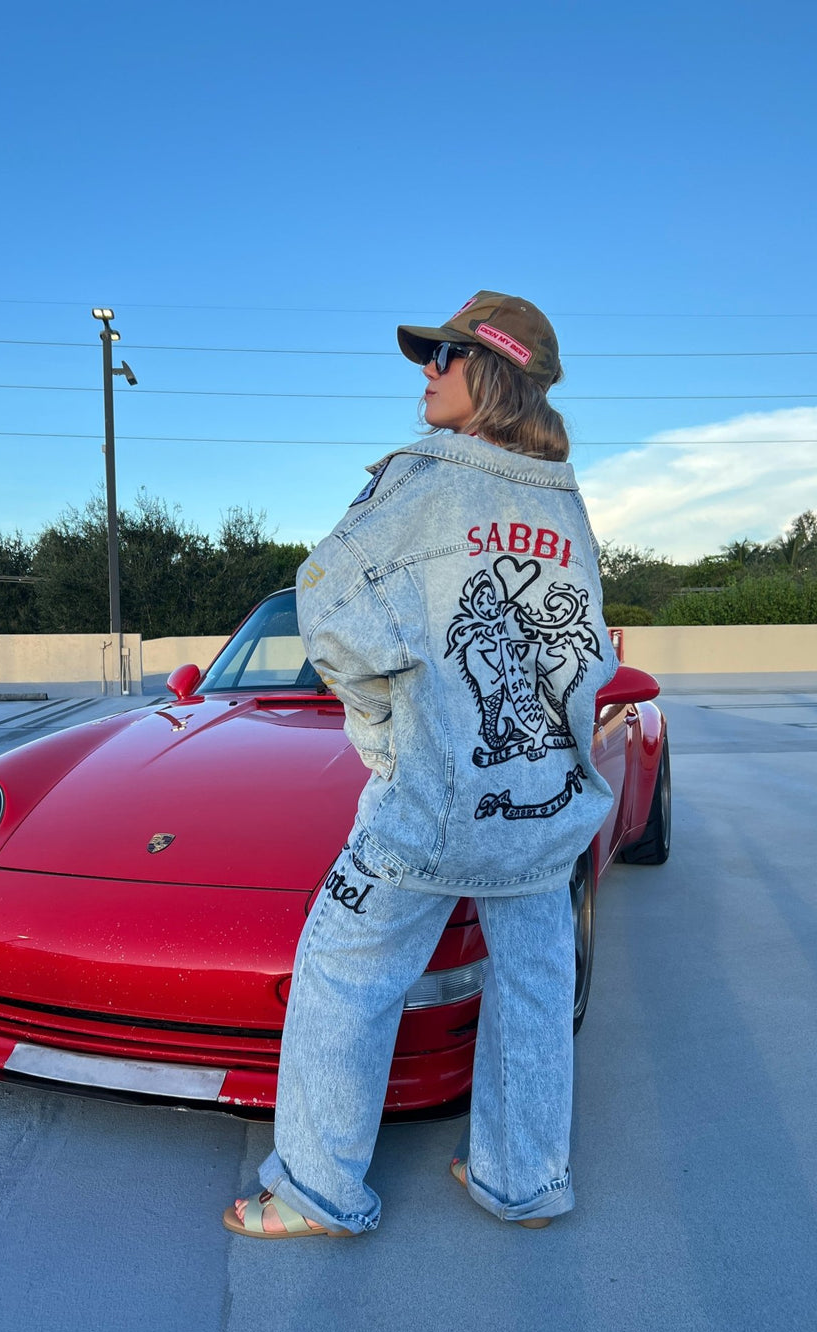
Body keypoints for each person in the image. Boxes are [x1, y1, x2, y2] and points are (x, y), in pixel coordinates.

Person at [222, 291, 618, 1239]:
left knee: (342, 970)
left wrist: (381, 731)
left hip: (437, 799)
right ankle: (521, 1179)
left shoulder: (425, 477)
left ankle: (315, 1190)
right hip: (542, 800)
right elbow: (581, 653)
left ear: (490, 370)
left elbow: (325, 604)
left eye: (442, 356)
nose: (425, 374)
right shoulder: (562, 500)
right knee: (530, 981)